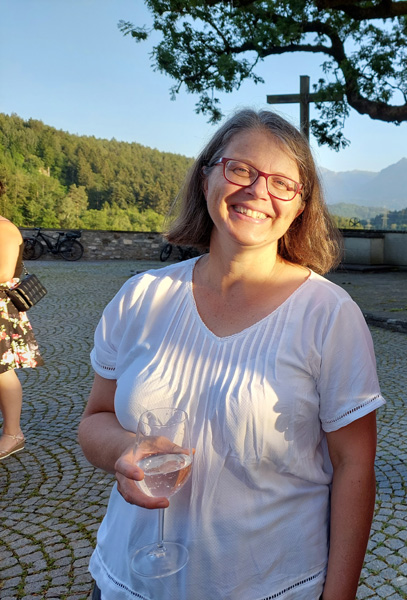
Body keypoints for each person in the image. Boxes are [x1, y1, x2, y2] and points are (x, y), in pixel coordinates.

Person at [78, 109, 384, 600]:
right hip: (125, 583)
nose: (258, 191)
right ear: (206, 179)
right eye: (240, 169)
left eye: (282, 183)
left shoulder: (329, 314)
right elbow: (95, 419)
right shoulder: (141, 296)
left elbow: (354, 467)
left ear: (301, 206)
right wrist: (123, 450)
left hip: (271, 586)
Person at [0, 216, 44, 460]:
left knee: (2, 372)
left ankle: (13, 433)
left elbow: (4, 272)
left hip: (1, 309)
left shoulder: (4, 228)